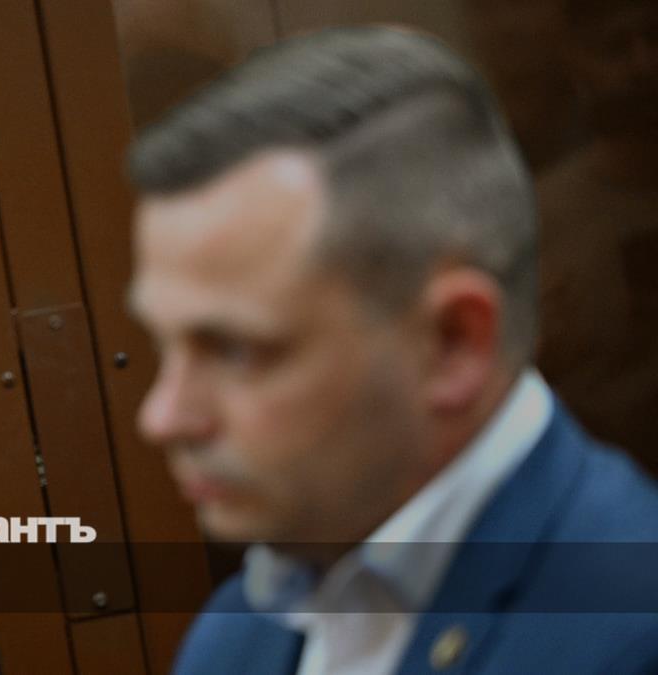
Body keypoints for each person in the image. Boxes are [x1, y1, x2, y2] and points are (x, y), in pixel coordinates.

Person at [126, 26, 658, 674]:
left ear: (454, 343)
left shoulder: (631, 635)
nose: (164, 416)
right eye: (164, 345)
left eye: (235, 351)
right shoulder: (239, 631)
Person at [536, 0, 658, 471]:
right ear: (576, 61)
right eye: (615, 47)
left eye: (655, 38)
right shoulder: (540, 221)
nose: (644, 64)